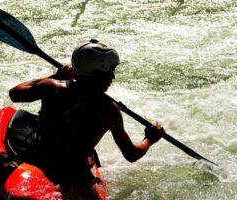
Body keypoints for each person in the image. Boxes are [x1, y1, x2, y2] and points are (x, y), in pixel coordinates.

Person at [9, 39, 165, 199]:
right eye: (110, 71)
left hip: (40, 156)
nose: (113, 76)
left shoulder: (51, 87)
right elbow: (131, 154)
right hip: (74, 172)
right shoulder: (110, 110)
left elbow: (15, 93)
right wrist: (149, 139)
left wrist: (55, 76)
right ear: (96, 73)